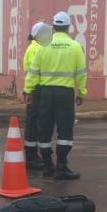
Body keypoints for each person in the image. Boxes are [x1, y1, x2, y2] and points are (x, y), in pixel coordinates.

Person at [24, 12, 86, 180]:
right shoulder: (75, 46)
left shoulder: (43, 46)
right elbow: (81, 73)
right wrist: (81, 92)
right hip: (65, 94)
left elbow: (33, 72)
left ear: (53, 26)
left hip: (45, 93)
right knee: (65, 129)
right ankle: (61, 166)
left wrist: (28, 91)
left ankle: (47, 164)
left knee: (45, 127)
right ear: (68, 27)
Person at [23, 22, 46, 170]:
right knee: (33, 124)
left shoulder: (38, 48)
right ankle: (31, 157)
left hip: (38, 90)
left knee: (38, 123)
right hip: (35, 90)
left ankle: (34, 155)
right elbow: (33, 72)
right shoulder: (34, 49)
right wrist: (29, 91)